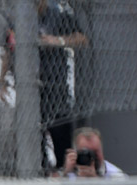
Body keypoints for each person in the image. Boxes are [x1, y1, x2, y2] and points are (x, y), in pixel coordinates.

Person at [37, 0, 88, 173]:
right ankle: (39, 174)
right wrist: (1, 82)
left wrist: (57, 40)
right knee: (33, 137)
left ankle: (65, 173)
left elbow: (82, 39)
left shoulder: (59, 13)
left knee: (60, 134)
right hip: (31, 89)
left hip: (55, 87)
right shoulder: (18, 17)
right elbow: (9, 47)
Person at [62, 126, 126, 180]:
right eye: (86, 153)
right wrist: (65, 173)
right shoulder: (69, 173)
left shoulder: (116, 175)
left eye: (95, 152)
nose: (92, 158)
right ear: (75, 153)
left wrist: (94, 180)